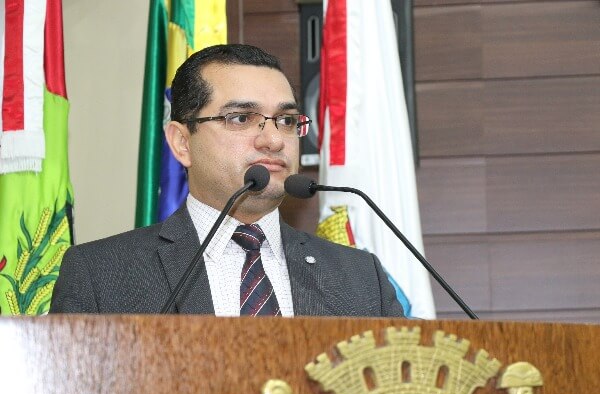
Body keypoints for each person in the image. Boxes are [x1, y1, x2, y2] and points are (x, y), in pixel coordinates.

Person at [50, 44, 404, 317]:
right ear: (182, 143)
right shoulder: (101, 275)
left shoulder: (361, 278)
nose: (273, 140)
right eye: (240, 118)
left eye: (285, 120)